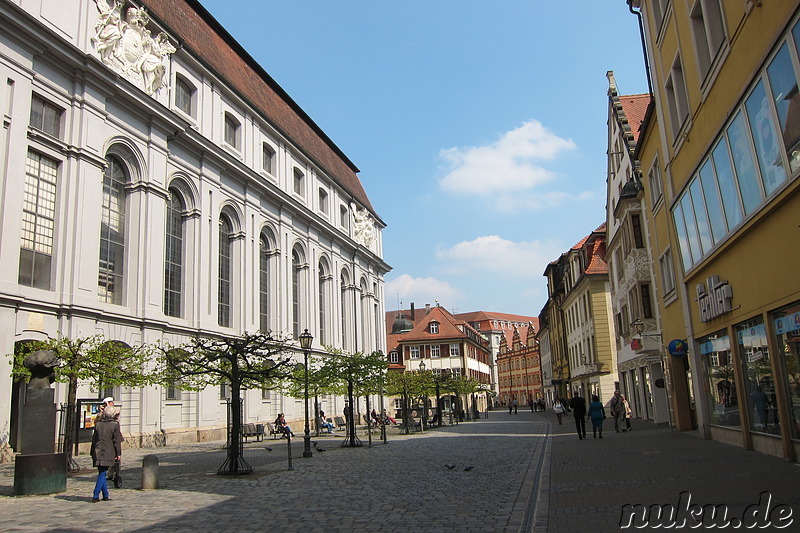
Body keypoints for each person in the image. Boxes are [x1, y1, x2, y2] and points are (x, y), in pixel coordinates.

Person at [90, 406, 123, 502]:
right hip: (108, 451)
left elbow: (94, 439)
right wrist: (118, 453)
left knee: (102, 472)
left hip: (97, 450)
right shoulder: (115, 425)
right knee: (103, 473)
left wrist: (92, 451)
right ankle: (95, 495)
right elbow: (116, 441)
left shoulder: (98, 424)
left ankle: (105, 495)